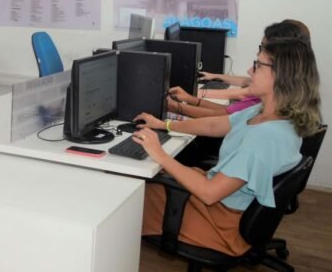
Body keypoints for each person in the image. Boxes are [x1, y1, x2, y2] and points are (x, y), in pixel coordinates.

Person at [132, 38, 321, 257]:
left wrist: (161, 155)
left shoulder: (265, 136)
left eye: (258, 65)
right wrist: (164, 125)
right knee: (147, 184)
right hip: (225, 202)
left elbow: (209, 193)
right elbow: (213, 125)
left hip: (218, 223)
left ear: (282, 76)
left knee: (130, 200)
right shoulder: (268, 113)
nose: (250, 71)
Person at [167, 20, 312, 119]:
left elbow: (223, 117)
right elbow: (227, 111)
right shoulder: (294, 89)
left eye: (263, 47)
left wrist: (180, 105)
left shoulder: (269, 101)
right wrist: (190, 98)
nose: (250, 71)